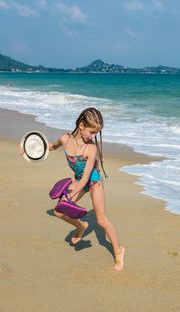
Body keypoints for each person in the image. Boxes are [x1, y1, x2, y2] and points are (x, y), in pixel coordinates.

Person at [35, 107, 125, 271]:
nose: (93, 136)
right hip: (78, 181)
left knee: (101, 220)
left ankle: (119, 251)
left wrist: (71, 194)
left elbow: (85, 178)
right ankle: (81, 226)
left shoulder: (91, 149)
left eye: (96, 133)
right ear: (82, 125)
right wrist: (29, 150)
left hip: (93, 182)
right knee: (59, 211)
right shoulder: (65, 139)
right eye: (92, 132)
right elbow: (51, 146)